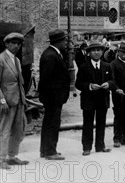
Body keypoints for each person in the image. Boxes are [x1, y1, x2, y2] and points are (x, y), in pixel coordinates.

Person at [74, 40, 115, 156]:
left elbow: (113, 81)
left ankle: (100, 146)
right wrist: (89, 86)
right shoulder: (84, 67)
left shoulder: (107, 66)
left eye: (99, 50)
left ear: (102, 52)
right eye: (93, 51)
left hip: (103, 99)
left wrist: (109, 84)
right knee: (88, 123)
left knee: (101, 123)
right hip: (89, 99)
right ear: (89, 53)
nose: (96, 53)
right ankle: (86, 147)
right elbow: (78, 84)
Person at [39, 29, 70, 160]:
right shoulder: (51, 56)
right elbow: (47, 79)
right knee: (52, 123)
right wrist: (53, 97)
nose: (66, 43)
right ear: (59, 41)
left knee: (48, 123)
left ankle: (45, 150)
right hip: (53, 97)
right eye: (64, 40)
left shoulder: (52, 53)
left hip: (52, 97)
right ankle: (50, 151)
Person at [0, 33, 28, 168]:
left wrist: (24, 99)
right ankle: (1, 159)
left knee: (18, 128)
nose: (16, 46)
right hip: (6, 101)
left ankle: (12, 156)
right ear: (6, 44)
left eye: (18, 43)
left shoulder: (16, 60)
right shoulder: (1, 59)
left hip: (18, 100)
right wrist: (2, 100)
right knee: (4, 130)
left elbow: (19, 82)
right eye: (13, 43)